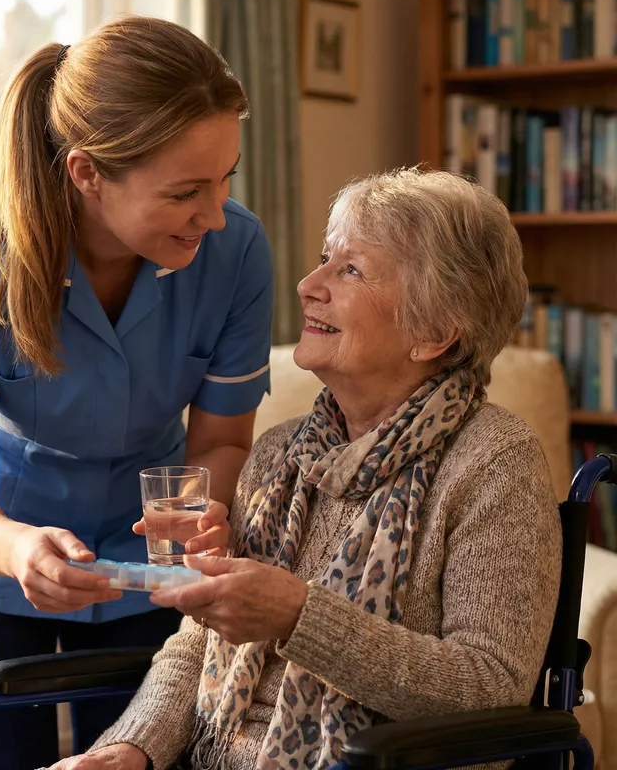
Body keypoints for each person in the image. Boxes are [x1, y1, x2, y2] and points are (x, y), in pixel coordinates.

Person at [50, 168, 563, 770]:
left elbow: (489, 687)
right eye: (325, 258)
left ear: (432, 333)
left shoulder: (494, 463)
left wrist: (300, 615)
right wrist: (128, 747)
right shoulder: (279, 454)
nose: (307, 284)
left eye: (350, 270)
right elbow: (198, 646)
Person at [0, 16, 273, 769]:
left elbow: (224, 441)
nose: (214, 211)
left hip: (147, 559)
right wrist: (19, 549)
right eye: (185, 190)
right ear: (87, 173)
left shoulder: (235, 250)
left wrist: (204, 513)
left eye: (226, 176)